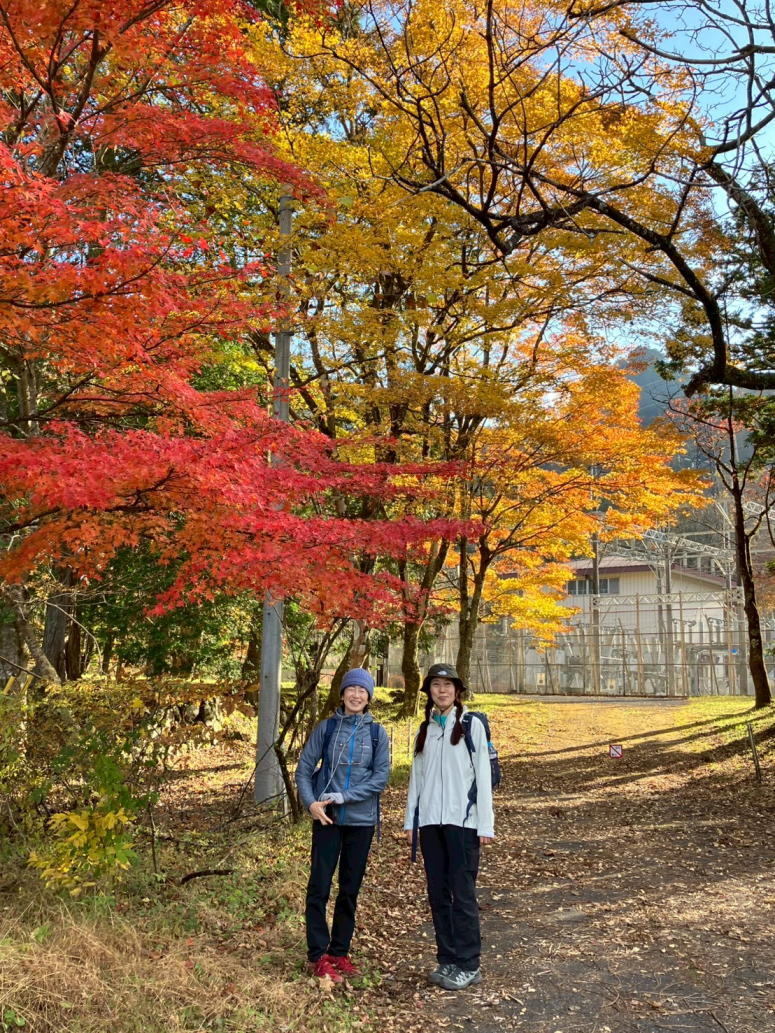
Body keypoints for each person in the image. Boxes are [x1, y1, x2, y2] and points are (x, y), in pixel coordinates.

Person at [404, 662, 494, 991]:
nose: (441, 690)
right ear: (428, 691)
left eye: (447, 684)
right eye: (435, 685)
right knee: (438, 894)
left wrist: (485, 823)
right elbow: (418, 778)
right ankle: (448, 958)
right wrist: (410, 820)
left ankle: (468, 963)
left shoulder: (471, 725)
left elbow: (482, 776)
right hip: (430, 823)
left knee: (463, 894)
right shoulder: (425, 729)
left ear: (457, 690)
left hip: (463, 823)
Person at [295, 667, 389, 982]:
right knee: (319, 886)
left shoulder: (378, 733)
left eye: (362, 691)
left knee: (349, 889)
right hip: (327, 819)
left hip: (361, 822)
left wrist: (344, 796)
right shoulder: (327, 728)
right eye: (351, 689)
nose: (356, 695)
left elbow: (380, 778)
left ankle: (339, 951)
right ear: (343, 693)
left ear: (369, 697)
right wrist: (311, 803)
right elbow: (305, 767)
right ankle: (317, 954)